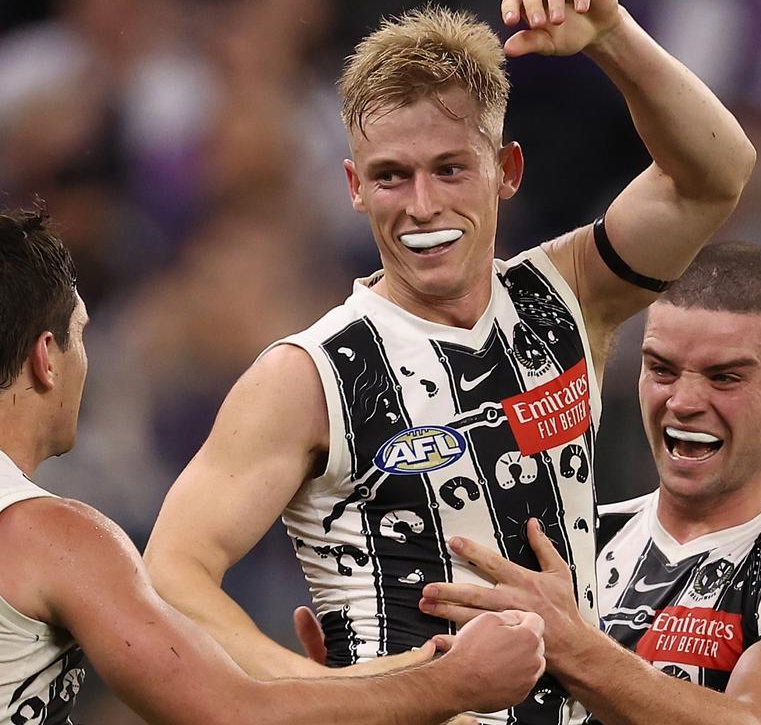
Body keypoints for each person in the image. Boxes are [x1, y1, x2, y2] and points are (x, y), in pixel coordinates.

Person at [143, 0, 755, 724]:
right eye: (391, 176)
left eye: (449, 169)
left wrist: (613, 37)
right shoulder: (309, 375)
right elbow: (171, 575)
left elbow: (714, 176)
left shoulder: (567, 294)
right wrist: (322, 692)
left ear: (506, 171)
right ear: (354, 186)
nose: (422, 205)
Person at [0, 204, 546, 724]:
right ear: (47, 357)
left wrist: (377, 678)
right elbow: (234, 715)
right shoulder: (51, 537)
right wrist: (459, 681)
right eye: (81, 334)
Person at [419, 242, 761, 725]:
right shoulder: (576, 542)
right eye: (662, 369)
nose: (683, 401)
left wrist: (573, 645)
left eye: (724, 377)